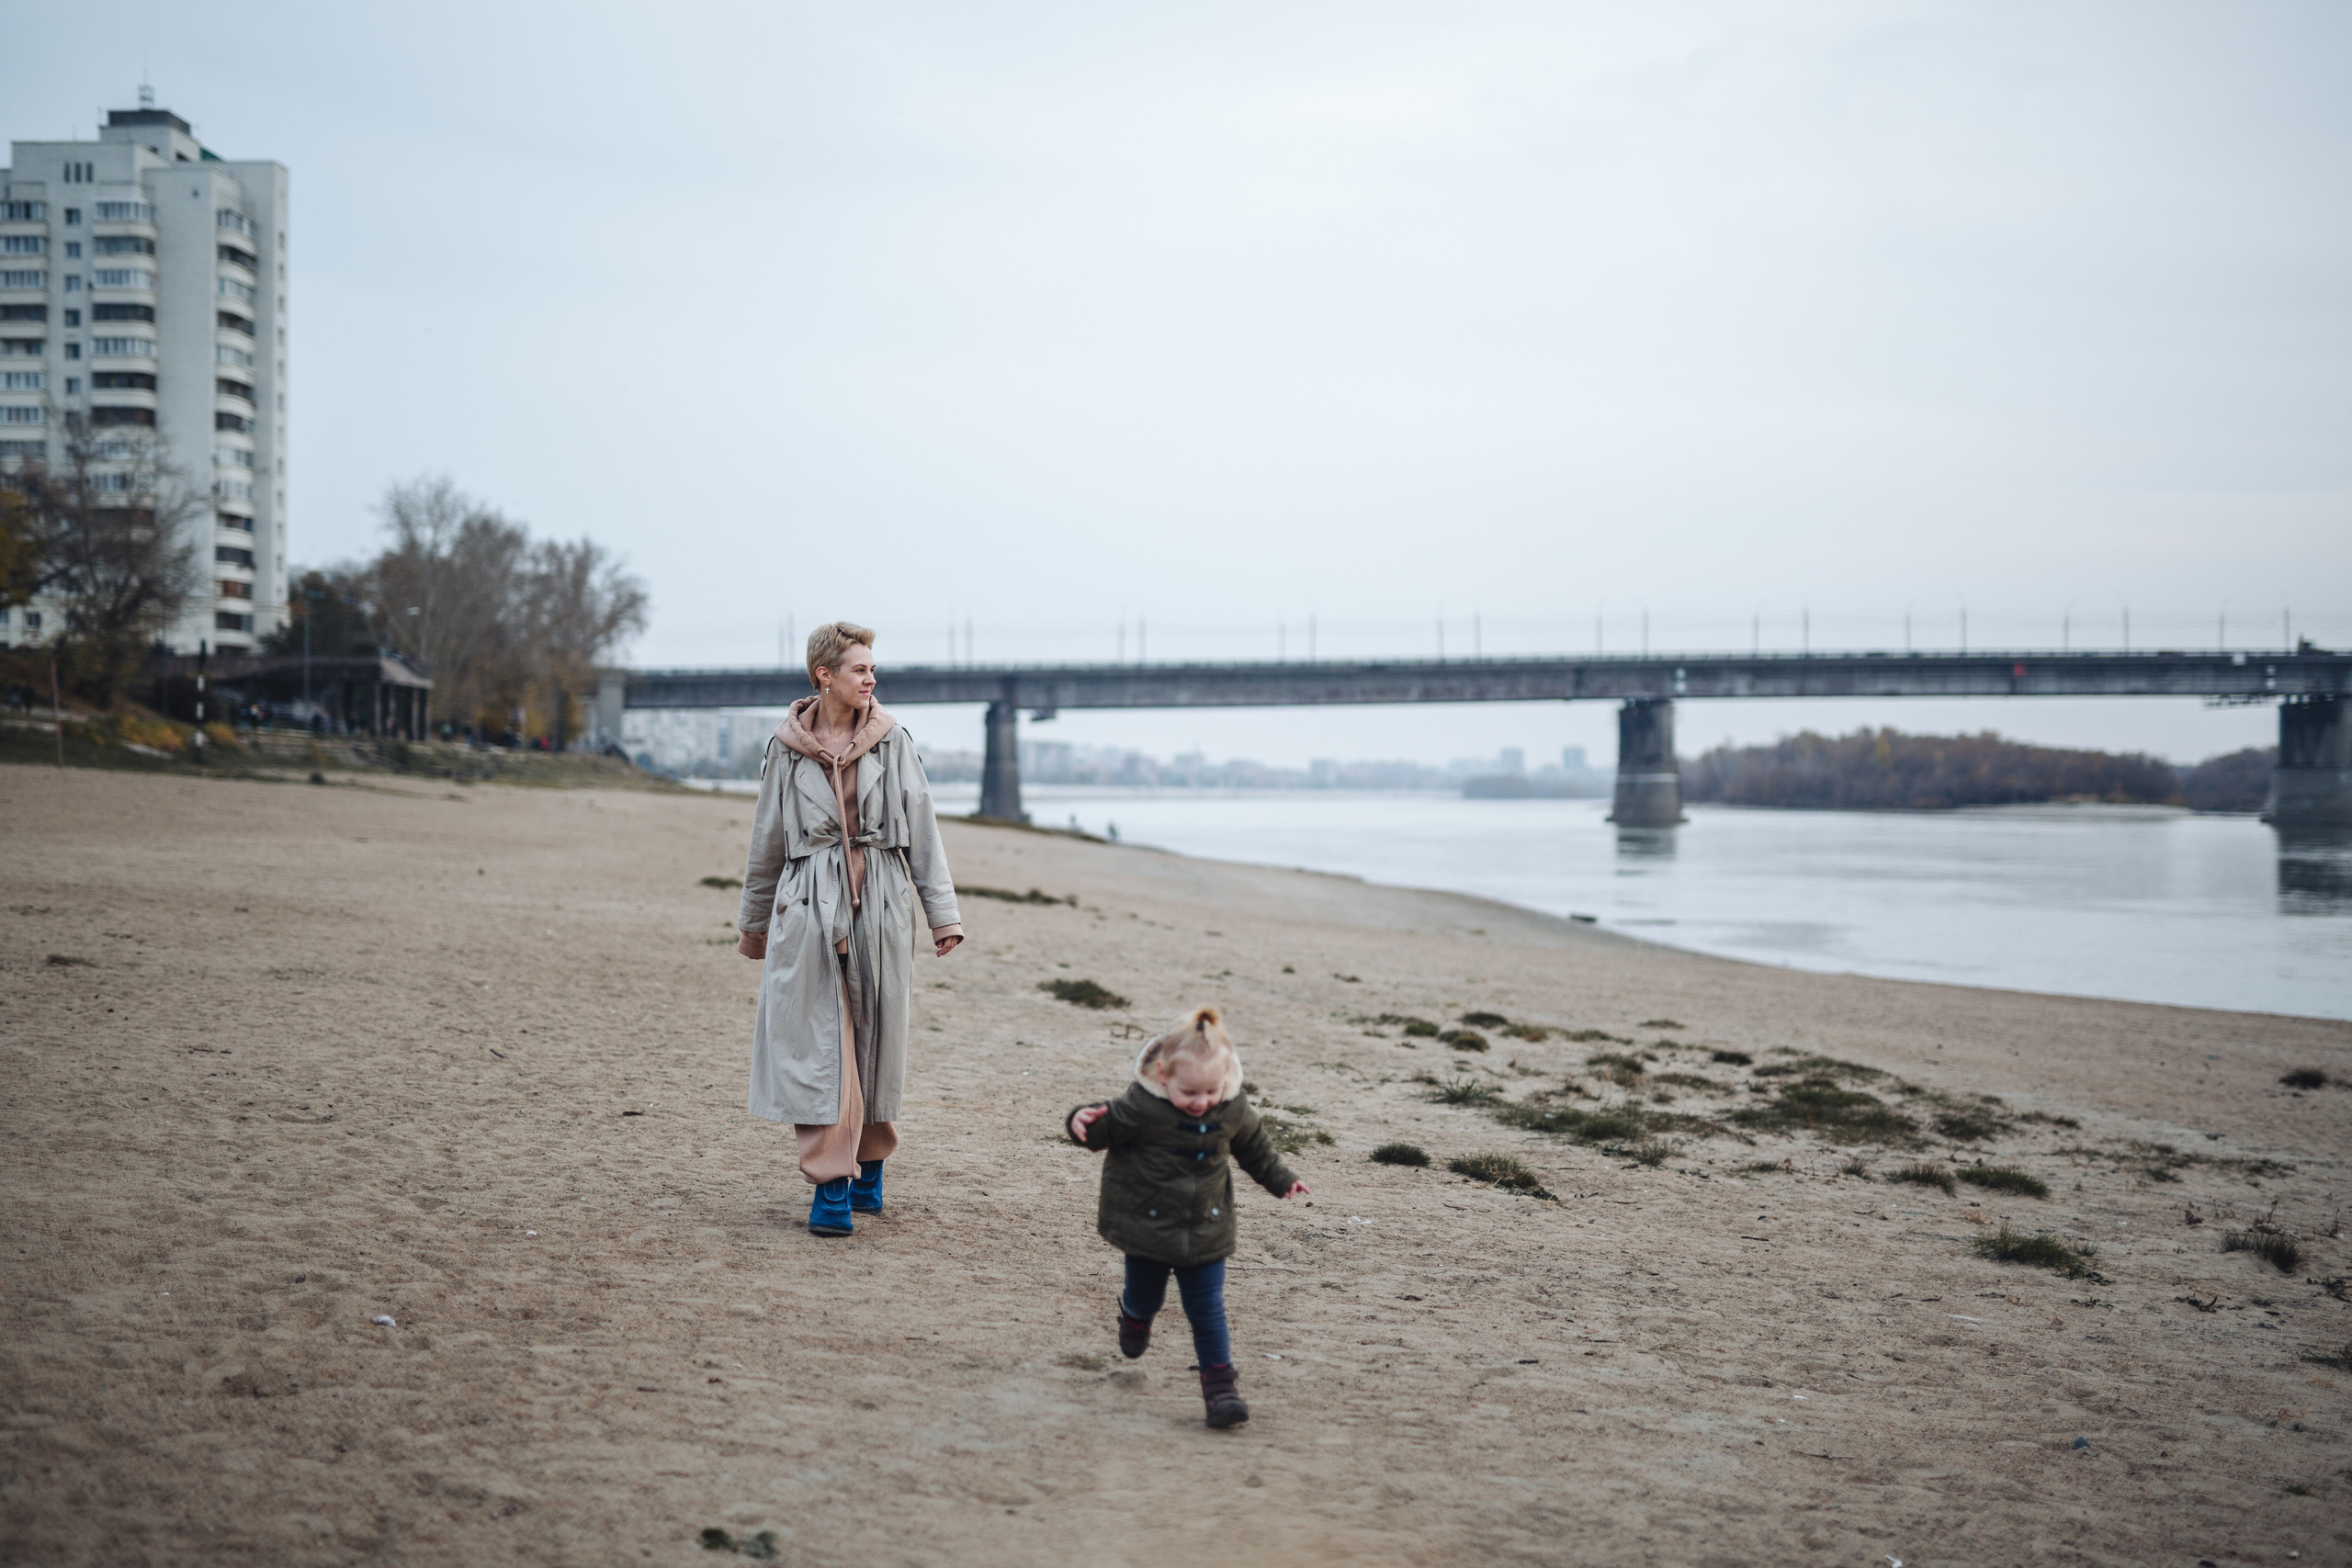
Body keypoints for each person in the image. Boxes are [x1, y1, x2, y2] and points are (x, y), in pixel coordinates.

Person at [737, 621, 965, 1236]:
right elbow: (767, 840)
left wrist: (941, 913)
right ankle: (830, 1184)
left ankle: (870, 1159)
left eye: (872, 668)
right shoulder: (785, 747)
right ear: (824, 674)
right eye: (860, 668)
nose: (871, 678)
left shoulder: (894, 741)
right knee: (817, 1044)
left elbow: (923, 828)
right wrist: (755, 924)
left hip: (883, 899)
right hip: (806, 902)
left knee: (876, 1037)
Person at [1064, 1005, 1309, 1428]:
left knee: (1207, 1308)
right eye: (1190, 1093)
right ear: (1163, 1076)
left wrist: (1282, 1179)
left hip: (1206, 1227)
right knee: (1146, 1297)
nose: (1202, 1103)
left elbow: (1255, 1148)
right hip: (1148, 1226)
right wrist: (1078, 1121)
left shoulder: (1230, 1107)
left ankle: (1221, 1390)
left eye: (1210, 1092)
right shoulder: (1142, 1106)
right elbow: (1102, 1132)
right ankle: (1136, 1318)